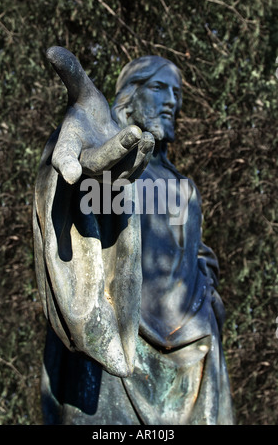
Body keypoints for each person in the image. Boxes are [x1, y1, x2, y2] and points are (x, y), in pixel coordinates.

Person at [33, 47, 234, 425]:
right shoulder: (115, 167)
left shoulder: (184, 187)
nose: (172, 102)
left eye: (176, 94)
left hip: (193, 350)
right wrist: (77, 161)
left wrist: (208, 294)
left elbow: (195, 250)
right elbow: (73, 194)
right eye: (160, 88)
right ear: (130, 93)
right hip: (119, 346)